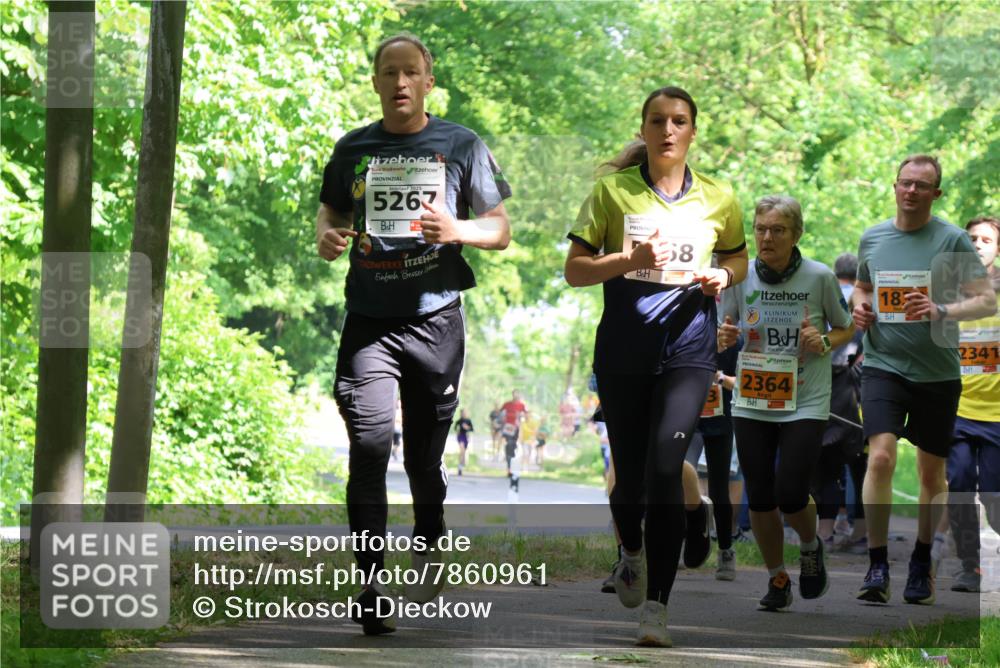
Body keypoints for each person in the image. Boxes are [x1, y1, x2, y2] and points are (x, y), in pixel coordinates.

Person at [316, 33, 511, 635]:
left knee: (424, 460)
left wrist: (456, 230)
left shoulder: (460, 144)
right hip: (370, 321)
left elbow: (499, 230)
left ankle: (429, 537)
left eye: (411, 73)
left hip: (436, 321)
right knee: (370, 447)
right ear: (375, 82)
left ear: (428, 82)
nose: (400, 83)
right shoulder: (353, 148)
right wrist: (324, 235)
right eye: (388, 73)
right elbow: (332, 213)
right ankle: (370, 582)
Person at [565, 86, 748, 647]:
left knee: (667, 471)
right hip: (623, 350)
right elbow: (575, 270)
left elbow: (736, 256)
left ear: (693, 131)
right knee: (629, 482)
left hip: (690, 352)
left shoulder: (719, 198)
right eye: (657, 121)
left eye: (679, 121)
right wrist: (630, 260)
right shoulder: (612, 193)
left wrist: (726, 276)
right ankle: (632, 551)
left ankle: (657, 610)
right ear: (643, 130)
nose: (668, 130)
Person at [852, 155, 995, 605]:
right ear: (894, 187)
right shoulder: (873, 238)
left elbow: (985, 300)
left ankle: (920, 560)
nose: (911, 191)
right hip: (882, 364)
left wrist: (941, 311)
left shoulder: (952, 240)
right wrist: (860, 307)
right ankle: (876, 564)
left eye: (922, 186)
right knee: (880, 459)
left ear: (936, 193)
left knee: (933, 474)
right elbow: (862, 287)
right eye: (905, 183)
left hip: (937, 371)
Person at [718, 195, 855, 611]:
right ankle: (778, 577)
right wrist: (725, 337)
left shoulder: (819, 277)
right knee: (760, 494)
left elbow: (845, 328)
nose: (767, 237)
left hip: (805, 398)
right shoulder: (740, 277)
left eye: (778, 230)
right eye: (760, 229)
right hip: (754, 396)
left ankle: (811, 547)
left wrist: (825, 340)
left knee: (791, 491)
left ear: (797, 234)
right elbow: (727, 325)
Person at [945, 216, 1000, 593]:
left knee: (995, 494)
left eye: (987, 239)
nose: (978, 244)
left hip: (997, 413)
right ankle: (970, 565)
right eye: (972, 239)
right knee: (960, 482)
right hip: (957, 408)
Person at [812, 253, 867, 553]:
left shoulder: (822, 300)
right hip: (856, 397)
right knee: (862, 466)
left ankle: (825, 533)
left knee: (825, 465)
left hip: (826, 394)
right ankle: (860, 533)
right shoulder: (864, 306)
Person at [454, 408, 474, 476]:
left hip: (466, 437)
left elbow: (472, 429)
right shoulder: (459, 421)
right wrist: (457, 431)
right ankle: (460, 468)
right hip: (460, 436)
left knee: (463, 452)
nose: (463, 414)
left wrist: (467, 427)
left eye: (464, 413)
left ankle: (461, 467)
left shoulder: (468, 420)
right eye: (462, 413)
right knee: (462, 450)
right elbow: (455, 427)